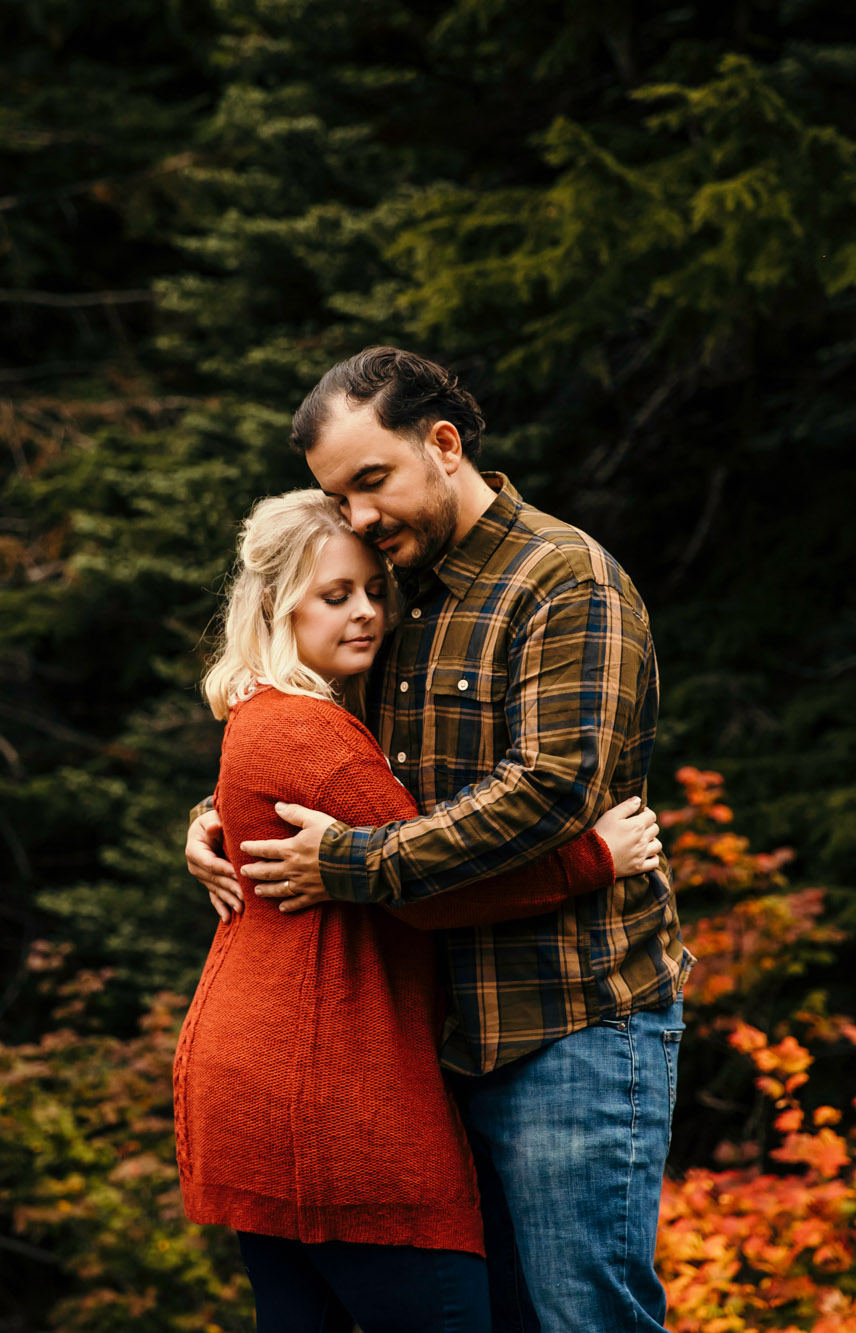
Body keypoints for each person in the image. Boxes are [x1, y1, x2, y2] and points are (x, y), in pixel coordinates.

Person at [187, 347, 691, 1333]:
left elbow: (549, 790)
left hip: (568, 1021)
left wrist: (345, 864)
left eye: (370, 481)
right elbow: (332, 757)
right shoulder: (393, 594)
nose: (359, 515)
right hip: (436, 1038)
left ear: (444, 443)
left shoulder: (563, 579)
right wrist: (220, 822)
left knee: (581, 1315)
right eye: (338, 494)